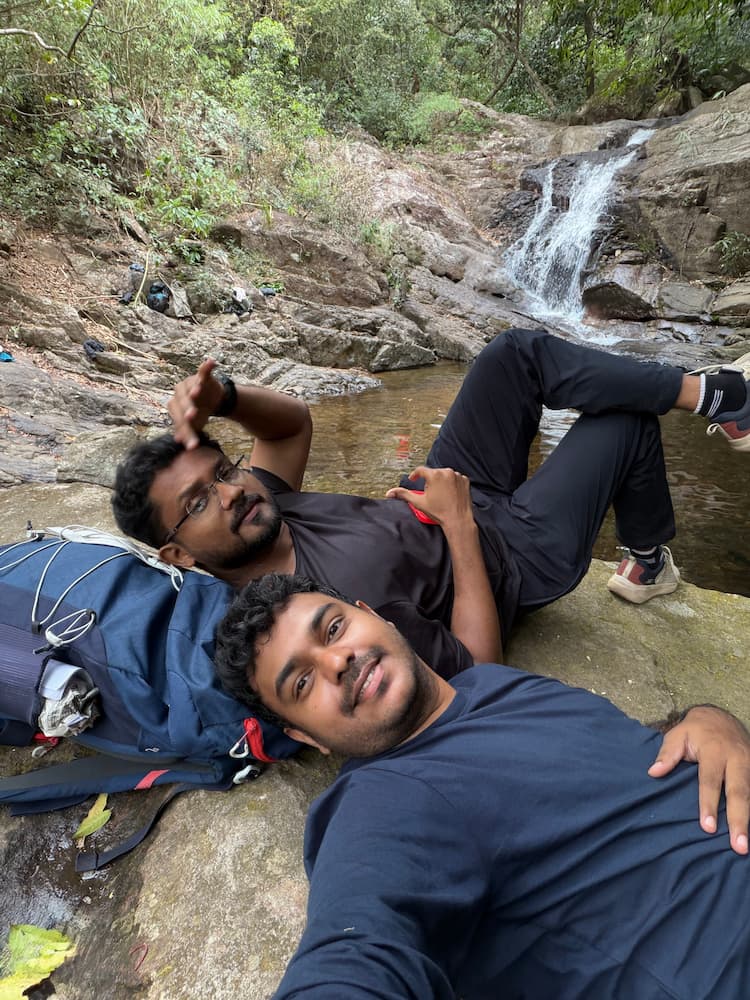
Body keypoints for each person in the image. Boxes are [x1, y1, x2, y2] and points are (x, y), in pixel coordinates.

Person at [214, 574, 750, 999]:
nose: (338, 661)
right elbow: (356, 948)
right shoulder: (381, 801)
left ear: (371, 614)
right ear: (306, 736)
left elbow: (609, 754)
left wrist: (707, 717)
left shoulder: (485, 683)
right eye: (303, 683)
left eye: (332, 629)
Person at [112, 328, 750, 673]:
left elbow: (289, 427)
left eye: (223, 470)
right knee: (623, 424)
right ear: (178, 554)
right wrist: (462, 528)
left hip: (446, 493)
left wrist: (222, 396)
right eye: (197, 503)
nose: (229, 493)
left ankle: (717, 396)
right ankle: (644, 561)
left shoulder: (258, 511)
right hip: (509, 554)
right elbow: (477, 668)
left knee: (511, 355)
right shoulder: (315, 604)